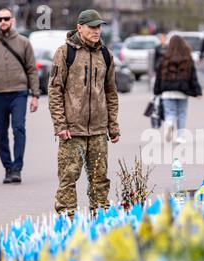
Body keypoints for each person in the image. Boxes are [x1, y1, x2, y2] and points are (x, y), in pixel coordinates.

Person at [48, 9, 120, 218]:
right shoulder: (64, 53)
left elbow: (111, 92)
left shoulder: (106, 55)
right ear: (80, 27)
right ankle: (67, 221)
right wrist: (60, 126)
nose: (96, 31)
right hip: (72, 131)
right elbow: (54, 91)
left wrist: (113, 126)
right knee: (68, 179)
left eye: (99, 27)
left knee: (100, 180)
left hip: (98, 131)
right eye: (92, 27)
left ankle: (100, 222)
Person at [0, 7, 40, 184]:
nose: (3, 22)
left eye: (6, 18)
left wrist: (35, 95)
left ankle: (17, 168)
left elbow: (31, 69)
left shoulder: (23, 42)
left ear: (12, 20)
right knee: (1, 133)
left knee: (19, 128)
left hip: (19, 93)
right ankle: (8, 167)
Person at [154, 35, 202, 144]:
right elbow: (193, 76)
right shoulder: (187, 59)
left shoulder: (164, 58)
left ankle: (169, 123)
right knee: (182, 113)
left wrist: (156, 90)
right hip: (182, 91)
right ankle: (180, 136)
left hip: (167, 91)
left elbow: (159, 76)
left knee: (169, 112)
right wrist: (197, 91)